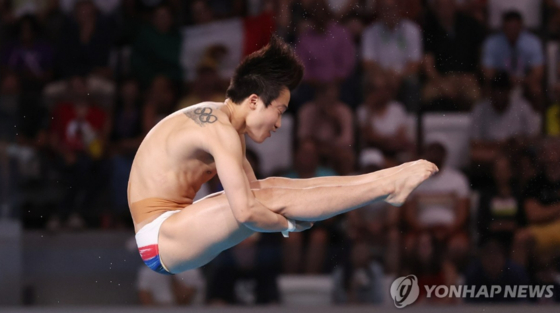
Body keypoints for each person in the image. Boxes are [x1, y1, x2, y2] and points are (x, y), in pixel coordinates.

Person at [128, 36, 438, 275]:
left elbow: (259, 193)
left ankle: (385, 179)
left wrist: (288, 213)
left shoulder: (224, 126)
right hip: (160, 237)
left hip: (172, 229)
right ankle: (386, 188)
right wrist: (287, 225)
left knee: (272, 185)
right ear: (253, 101)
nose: (278, 123)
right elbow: (247, 212)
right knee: (268, 196)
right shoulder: (220, 131)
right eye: (278, 111)